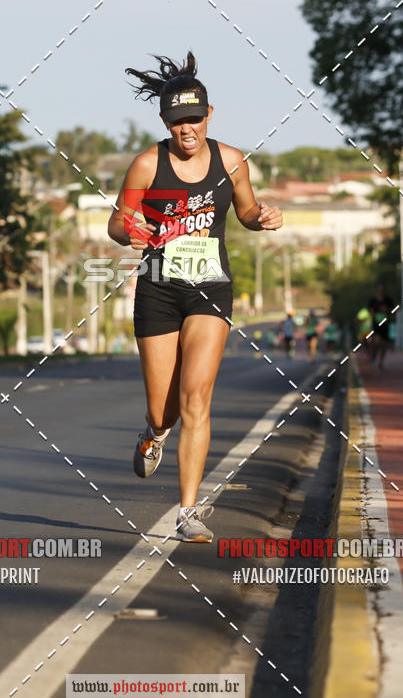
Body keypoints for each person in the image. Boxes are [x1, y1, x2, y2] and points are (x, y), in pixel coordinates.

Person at [108, 51, 283, 542]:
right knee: (164, 409)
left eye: (194, 119)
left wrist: (264, 218)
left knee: (197, 398)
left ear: (209, 115)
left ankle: (188, 512)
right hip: (159, 291)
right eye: (177, 120)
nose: (187, 129)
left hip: (211, 288)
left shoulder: (231, 161)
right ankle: (154, 434)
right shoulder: (147, 164)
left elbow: (246, 213)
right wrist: (129, 228)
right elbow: (116, 224)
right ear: (166, 121)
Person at [367, 283, 394, 371]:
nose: (380, 292)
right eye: (379, 291)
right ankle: (374, 353)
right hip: (376, 323)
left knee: (384, 344)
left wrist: (388, 312)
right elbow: (370, 310)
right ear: (377, 291)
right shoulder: (373, 300)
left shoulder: (388, 300)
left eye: (382, 291)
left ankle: (381, 362)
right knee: (377, 341)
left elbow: (393, 310)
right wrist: (373, 314)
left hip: (385, 324)